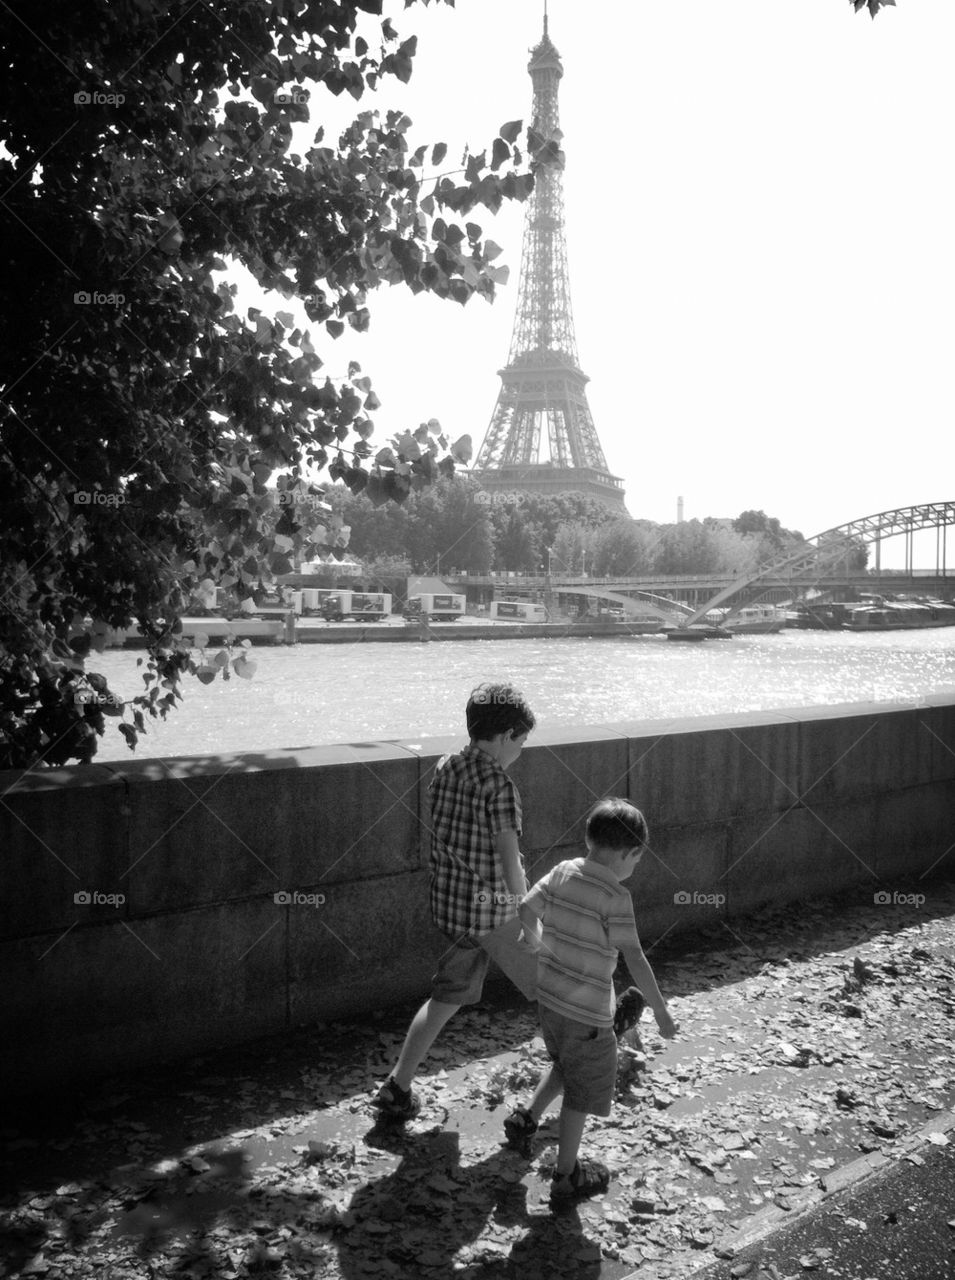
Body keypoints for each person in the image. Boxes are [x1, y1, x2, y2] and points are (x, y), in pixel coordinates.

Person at [372, 681, 538, 1121]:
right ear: (506, 736)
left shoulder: (445, 766)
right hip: (494, 911)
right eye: (521, 742)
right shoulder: (500, 787)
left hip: (451, 908)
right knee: (554, 985)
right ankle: (592, 1057)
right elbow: (510, 863)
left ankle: (398, 1086)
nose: (520, 752)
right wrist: (530, 918)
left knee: (444, 999)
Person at [509, 797, 677, 1204]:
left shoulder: (562, 871)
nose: (635, 866)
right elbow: (634, 956)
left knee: (567, 1064)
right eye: (637, 859)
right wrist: (660, 1010)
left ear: (589, 839)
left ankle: (526, 1117)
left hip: (550, 1002)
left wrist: (534, 944)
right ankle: (566, 1175)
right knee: (581, 1095)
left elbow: (525, 909)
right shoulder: (616, 897)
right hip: (586, 1013)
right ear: (629, 853)